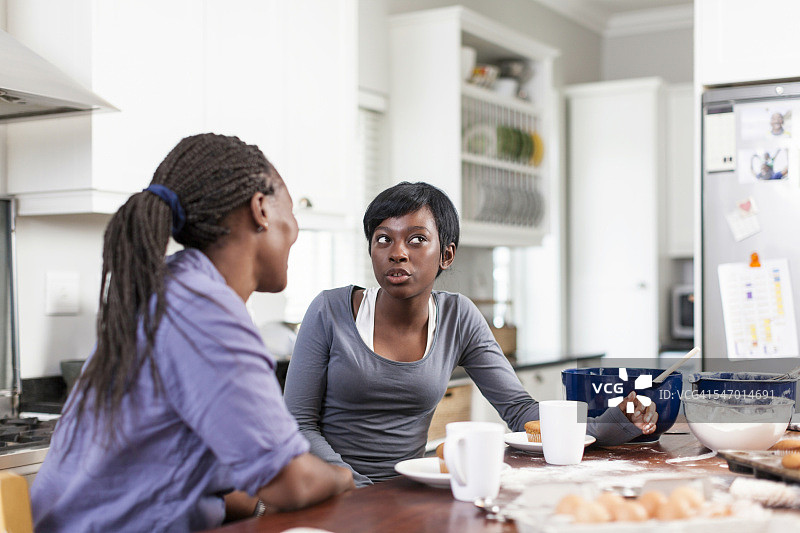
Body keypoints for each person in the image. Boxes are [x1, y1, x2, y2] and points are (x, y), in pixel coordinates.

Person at [30, 133, 354, 532]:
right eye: (290, 206)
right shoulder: (204, 310)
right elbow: (291, 482)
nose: (296, 228)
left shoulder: (166, 289)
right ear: (261, 209)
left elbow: (185, 478)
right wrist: (345, 479)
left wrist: (258, 503)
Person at [283, 181, 657, 487]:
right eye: (383, 239)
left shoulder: (458, 316)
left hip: (411, 489)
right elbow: (297, 423)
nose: (397, 252)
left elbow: (520, 411)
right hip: (331, 491)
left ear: (445, 255)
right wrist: (352, 485)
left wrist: (612, 424)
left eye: (416, 239)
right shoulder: (329, 310)